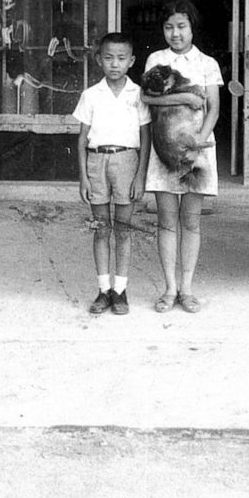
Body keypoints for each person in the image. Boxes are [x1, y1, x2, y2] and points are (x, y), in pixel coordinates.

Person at [141, 0, 223, 314]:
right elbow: (148, 97)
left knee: (190, 223)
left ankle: (187, 289)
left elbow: (212, 109)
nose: (175, 34)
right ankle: (169, 289)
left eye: (181, 26)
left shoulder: (207, 63)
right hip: (164, 150)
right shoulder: (155, 59)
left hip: (197, 151)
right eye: (169, 27)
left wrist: (199, 141)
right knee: (166, 222)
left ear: (192, 28)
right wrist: (188, 97)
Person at [73, 32, 151, 315]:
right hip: (97, 162)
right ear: (98, 60)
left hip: (127, 161)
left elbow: (146, 138)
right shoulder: (91, 95)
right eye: (108, 58)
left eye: (121, 58)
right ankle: (103, 289)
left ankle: (121, 290)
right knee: (100, 228)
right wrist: (83, 177)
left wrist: (140, 176)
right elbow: (81, 140)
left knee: (123, 229)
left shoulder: (138, 94)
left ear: (131, 61)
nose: (114, 64)